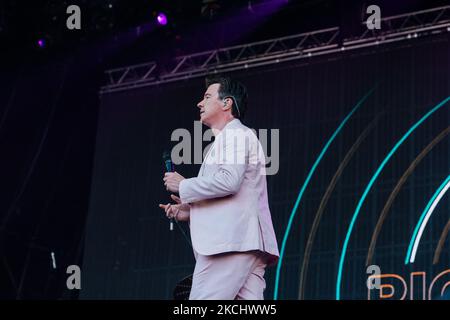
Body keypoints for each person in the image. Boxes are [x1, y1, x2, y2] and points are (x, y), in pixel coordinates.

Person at [159, 76, 279, 300]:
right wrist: (191, 210)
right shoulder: (230, 138)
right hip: (243, 242)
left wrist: (183, 184)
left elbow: (228, 181)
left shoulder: (237, 134)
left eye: (206, 97)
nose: (199, 103)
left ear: (227, 103)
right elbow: (238, 191)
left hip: (231, 244)